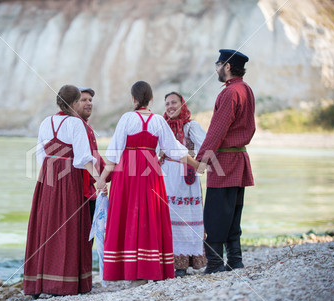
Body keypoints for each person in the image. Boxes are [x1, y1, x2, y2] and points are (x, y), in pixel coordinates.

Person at [96, 81, 199, 284]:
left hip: (127, 171)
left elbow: (114, 154)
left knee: (126, 216)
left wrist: (101, 180)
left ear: (133, 99)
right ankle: (149, 269)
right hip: (151, 170)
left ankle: (129, 270)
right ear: (151, 99)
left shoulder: (127, 118)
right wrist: (196, 164)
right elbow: (174, 150)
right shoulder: (158, 121)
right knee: (150, 215)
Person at [23, 85, 100, 298]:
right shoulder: (76, 123)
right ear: (75, 103)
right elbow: (83, 158)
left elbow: (40, 155)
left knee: (46, 227)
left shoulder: (46, 122)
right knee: (70, 228)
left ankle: (40, 282)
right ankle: (65, 284)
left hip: (47, 178)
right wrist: (99, 181)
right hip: (69, 180)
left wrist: (49, 173)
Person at [196, 49, 255, 274]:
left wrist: (202, 159)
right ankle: (235, 260)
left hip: (225, 161)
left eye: (218, 64)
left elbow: (217, 130)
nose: (216, 69)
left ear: (227, 67)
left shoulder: (229, 93)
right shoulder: (246, 89)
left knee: (215, 214)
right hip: (239, 158)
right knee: (233, 212)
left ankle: (214, 264)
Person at [161, 91, 207, 277]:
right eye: (167, 103)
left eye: (174, 102)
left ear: (182, 104)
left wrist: (199, 164)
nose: (170, 106)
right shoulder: (162, 125)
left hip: (186, 178)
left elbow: (206, 145)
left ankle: (184, 263)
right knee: (168, 217)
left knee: (186, 217)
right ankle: (169, 262)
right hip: (166, 176)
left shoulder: (191, 126)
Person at [76, 87, 110, 221]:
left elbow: (96, 158)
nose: (89, 103)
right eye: (83, 100)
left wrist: (116, 170)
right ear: (73, 103)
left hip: (90, 192)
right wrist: (101, 180)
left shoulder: (86, 126)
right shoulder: (75, 126)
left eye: (90, 100)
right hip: (79, 194)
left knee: (88, 238)